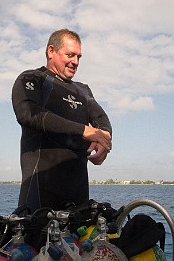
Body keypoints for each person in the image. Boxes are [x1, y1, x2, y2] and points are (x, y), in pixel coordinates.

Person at [12, 29, 112, 213]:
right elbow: (27, 113)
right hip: (39, 195)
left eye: (79, 57)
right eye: (70, 55)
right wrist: (85, 130)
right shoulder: (33, 79)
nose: (75, 62)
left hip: (78, 196)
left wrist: (104, 139)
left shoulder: (83, 90)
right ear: (51, 51)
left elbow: (100, 118)